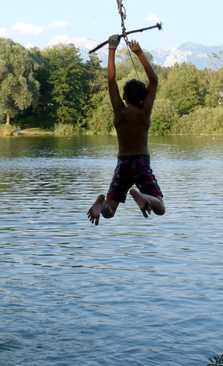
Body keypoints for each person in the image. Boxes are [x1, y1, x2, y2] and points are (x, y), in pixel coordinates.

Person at [87, 35, 165, 226]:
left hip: (123, 163)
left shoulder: (119, 112)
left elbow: (111, 80)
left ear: (123, 96)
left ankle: (101, 203)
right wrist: (138, 53)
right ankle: (142, 196)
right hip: (141, 162)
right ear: (143, 96)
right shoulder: (144, 112)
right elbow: (153, 79)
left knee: (109, 211)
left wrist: (112, 47)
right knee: (160, 208)